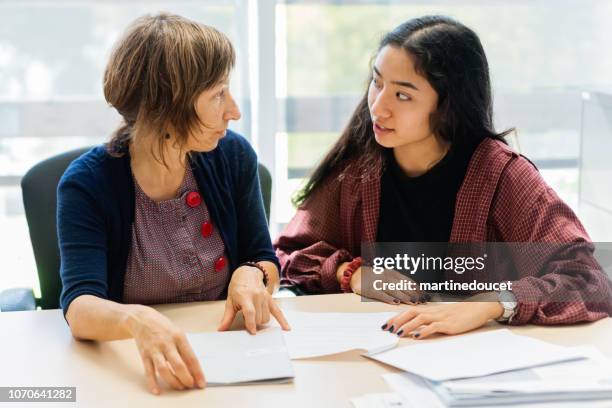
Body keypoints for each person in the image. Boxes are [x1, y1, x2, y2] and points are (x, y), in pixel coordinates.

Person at [274, 15, 612, 340]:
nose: (377, 107)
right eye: (377, 83)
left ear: (449, 105)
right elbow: (287, 253)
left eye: (403, 95)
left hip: (473, 364)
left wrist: (491, 304)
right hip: (377, 352)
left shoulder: (502, 176)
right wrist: (353, 274)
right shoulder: (360, 166)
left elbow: (590, 281)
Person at [57, 13, 289, 395]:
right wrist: (138, 321)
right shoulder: (88, 184)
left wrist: (252, 272)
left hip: (234, 357)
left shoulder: (233, 156)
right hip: (136, 366)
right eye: (217, 94)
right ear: (168, 105)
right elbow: (80, 307)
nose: (234, 110)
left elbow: (264, 258)